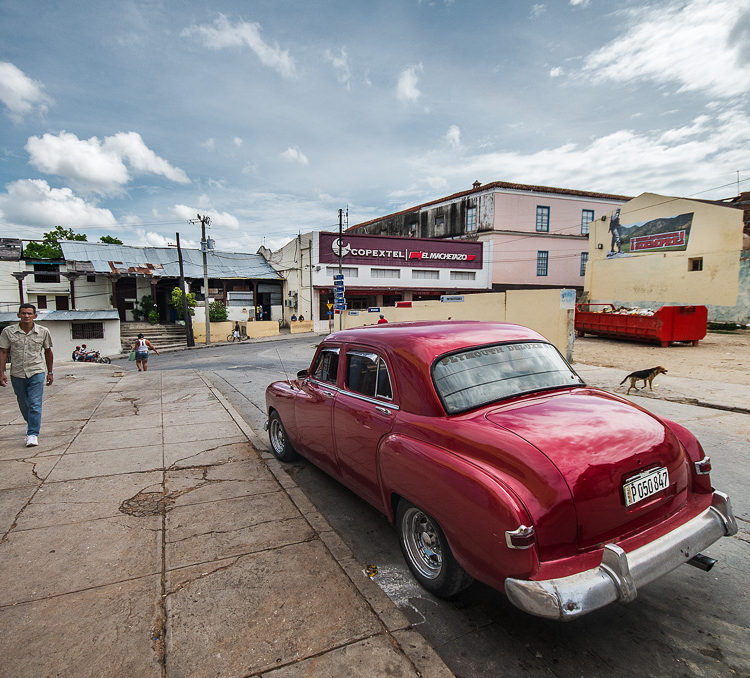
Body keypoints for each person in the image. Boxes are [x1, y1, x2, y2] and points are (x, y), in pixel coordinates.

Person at [0, 303, 54, 447]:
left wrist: (50, 372)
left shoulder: (43, 331)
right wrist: (1, 372)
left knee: (35, 403)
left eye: (29, 314)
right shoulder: (8, 332)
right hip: (17, 373)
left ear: (35, 316)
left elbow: (48, 352)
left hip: (36, 371)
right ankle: (31, 421)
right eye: (23, 313)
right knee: (23, 402)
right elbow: (3, 351)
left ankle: (32, 434)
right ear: (18, 315)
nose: (26, 316)